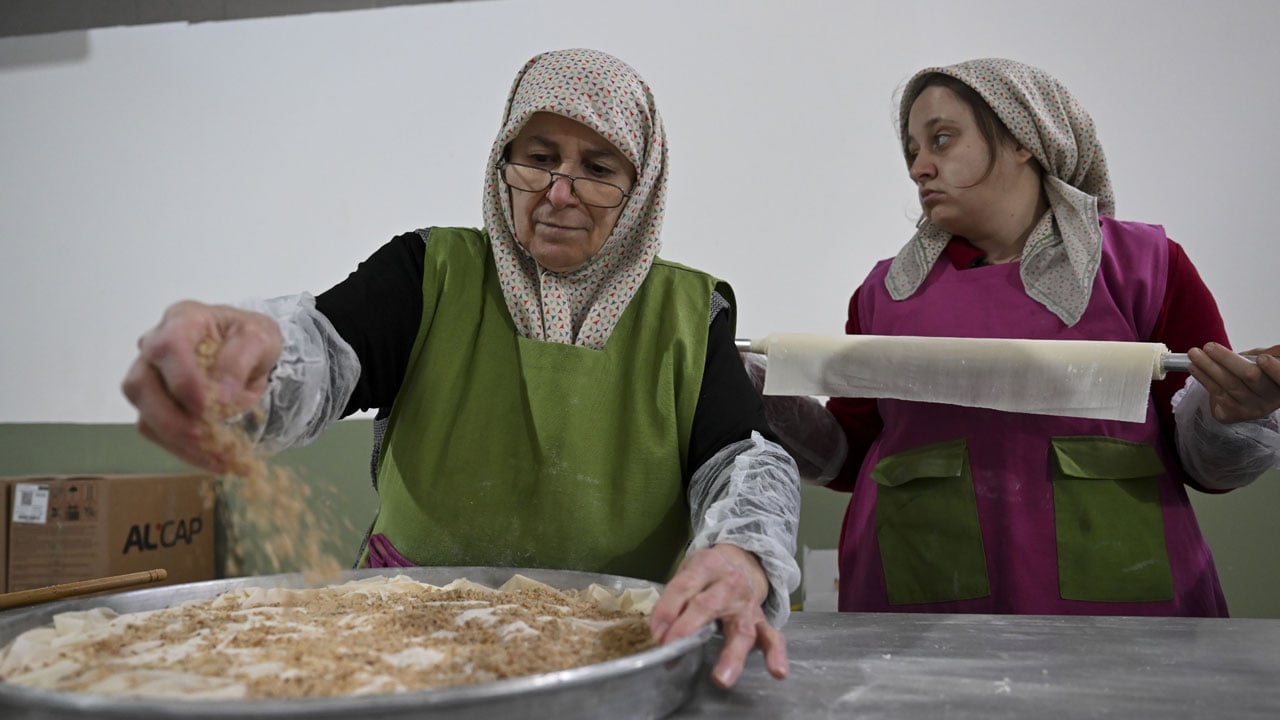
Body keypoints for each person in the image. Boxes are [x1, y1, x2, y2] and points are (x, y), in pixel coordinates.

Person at [121, 48, 800, 688]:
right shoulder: (428, 273)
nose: (560, 192)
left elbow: (744, 463)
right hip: (397, 636)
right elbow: (320, 355)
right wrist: (241, 359)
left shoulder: (687, 313)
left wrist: (742, 554)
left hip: (611, 646)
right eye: (538, 159)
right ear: (503, 165)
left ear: (641, 188)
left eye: (598, 170)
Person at [751, 57, 1280, 616]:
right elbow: (850, 456)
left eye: (943, 139)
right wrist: (758, 391)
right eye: (912, 150)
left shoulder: (1145, 267)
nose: (919, 168)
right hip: (923, 609)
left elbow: (1207, 467)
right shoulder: (884, 294)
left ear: (1023, 138)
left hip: (1123, 613)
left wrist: (1235, 413)